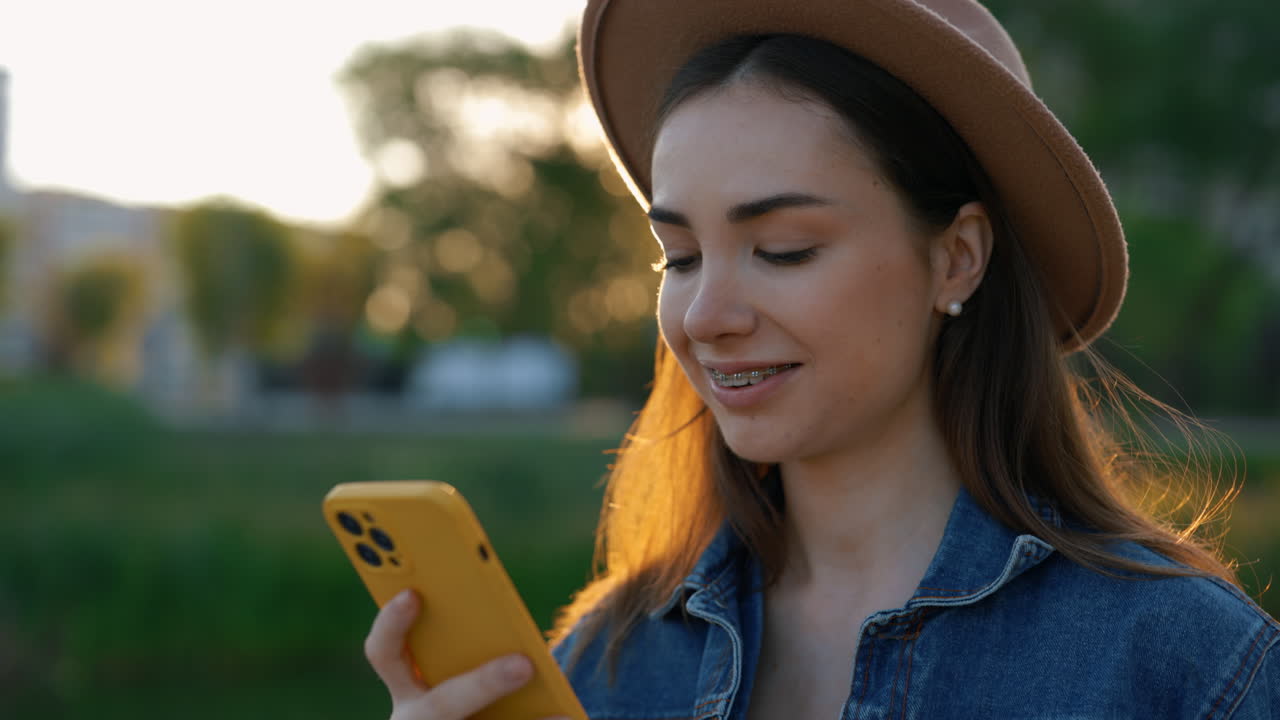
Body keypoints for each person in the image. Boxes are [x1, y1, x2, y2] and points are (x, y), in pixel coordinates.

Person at [362, 0, 1280, 717]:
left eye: (785, 249)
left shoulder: (1176, 665)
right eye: (678, 257)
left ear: (956, 257)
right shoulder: (611, 660)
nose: (706, 315)